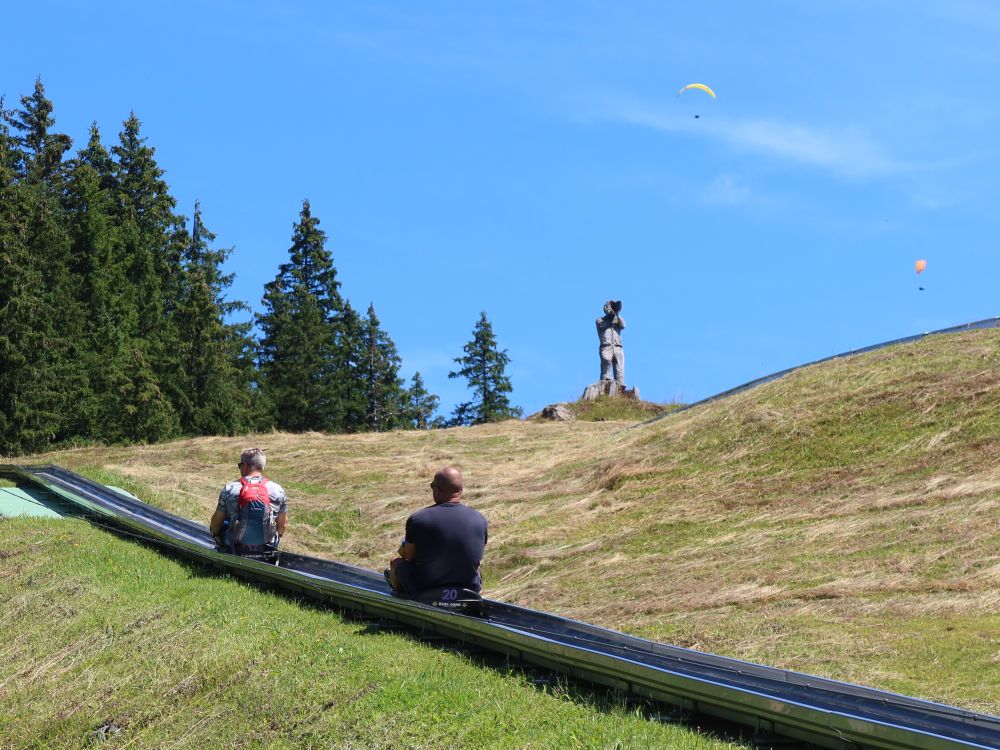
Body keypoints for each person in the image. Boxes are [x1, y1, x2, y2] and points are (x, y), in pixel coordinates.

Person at [388, 466, 488, 596]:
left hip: (426, 589)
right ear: (461, 490)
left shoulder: (418, 519)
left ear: (436, 490)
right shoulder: (480, 519)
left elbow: (410, 557)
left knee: (396, 564)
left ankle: (399, 598)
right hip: (468, 589)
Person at [210, 448, 287, 556]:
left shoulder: (230, 489)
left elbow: (215, 524)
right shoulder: (278, 490)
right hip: (267, 546)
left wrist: (216, 534)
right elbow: (282, 526)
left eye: (239, 465)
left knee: (225, 522)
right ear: (262, 466)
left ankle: (223, 550)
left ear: (245, 465)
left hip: (236, 546)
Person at [597, 299, 626, 385]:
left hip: (618, 347)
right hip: (606, 346)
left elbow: (623, 325)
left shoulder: (618, 319)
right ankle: (605, 386)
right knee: (606, 364)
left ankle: (620, 388)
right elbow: (602, 325)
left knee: (620, 368)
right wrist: (610, 316)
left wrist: (616, 314)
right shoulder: (600, 320)